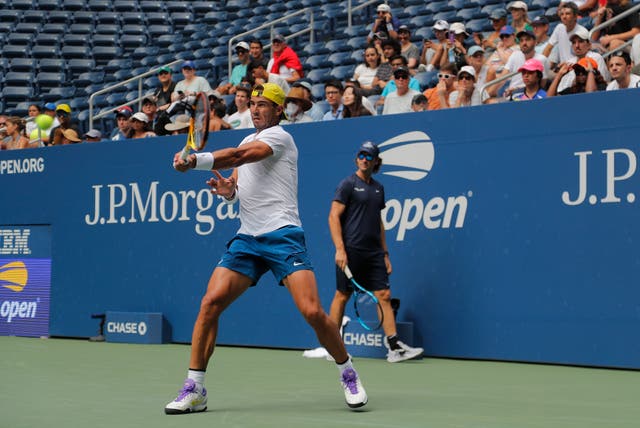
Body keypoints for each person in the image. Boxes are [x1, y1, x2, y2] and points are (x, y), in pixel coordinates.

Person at [165, 83, 368, 414]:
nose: (256, 109)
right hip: (248, 238)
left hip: (283, 235)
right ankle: (195, 388)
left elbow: (242, 156)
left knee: (313, 312)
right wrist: (228, 190)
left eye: (263, 104)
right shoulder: (247, 139)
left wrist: (195, 160)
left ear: (279, 111)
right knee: (210, 303)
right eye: (253, 104)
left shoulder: (279, 138)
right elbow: (238, 185)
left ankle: (347, 371)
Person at [328, 141, 424, 363]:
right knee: (342, 295)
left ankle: (394, 348)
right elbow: (333, 216)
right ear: (356, 159)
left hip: (373, 254)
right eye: (361, 155)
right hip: (350, 251)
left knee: (384, 295)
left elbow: (379, 222)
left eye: (369, 156)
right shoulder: (347, 185)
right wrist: (340, 250)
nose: (364, 159)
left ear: (376, 162)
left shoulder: (379, 189)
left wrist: (385, 253)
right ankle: (332, 344)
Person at [543, 2, 587, 66]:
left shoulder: (582, 32)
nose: (564, 17)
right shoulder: (559, 28)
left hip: (577, 68)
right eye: (562, 14)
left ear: (575, 16)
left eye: (567, 14)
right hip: (562, 68)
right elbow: (548, 48)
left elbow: (583, 57)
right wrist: (541, 63)